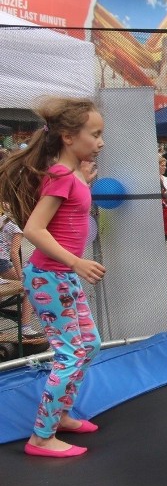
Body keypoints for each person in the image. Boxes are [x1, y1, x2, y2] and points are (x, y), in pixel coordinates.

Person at [0, 97, 106, 458]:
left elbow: (71, 215)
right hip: (49, 277)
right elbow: (34, 229)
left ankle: (59, 416)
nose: (101, 142)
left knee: (87, 345)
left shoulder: (73, 173)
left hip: (61, 277)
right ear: (67, 138)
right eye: (95, 134)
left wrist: (85, 183)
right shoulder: (61, 175)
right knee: (70, 354)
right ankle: (41, 437)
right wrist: (76, 262)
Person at [0, 209, 39, 337]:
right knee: (29, 287)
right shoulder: (17, 226)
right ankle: (26, 327)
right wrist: (21, 275)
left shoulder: (3, 220)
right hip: (2, 262)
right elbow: (14, 253)